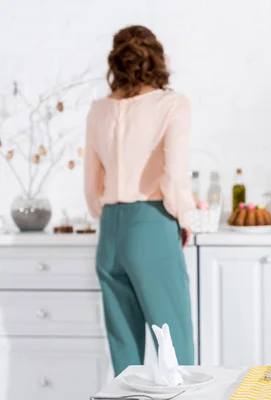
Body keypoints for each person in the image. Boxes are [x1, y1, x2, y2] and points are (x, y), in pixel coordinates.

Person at [84, 25, 195, 375]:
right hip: (151, 224)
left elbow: (91, 186)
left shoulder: (98, 109)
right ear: (157, 59)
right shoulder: (171, 104)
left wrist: (111, 216)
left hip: (110, 231)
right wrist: (185, 219)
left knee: (123, 350)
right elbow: (174, 178)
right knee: (173, 344)